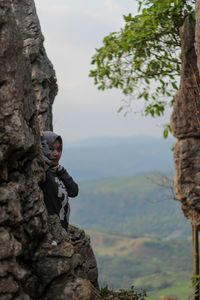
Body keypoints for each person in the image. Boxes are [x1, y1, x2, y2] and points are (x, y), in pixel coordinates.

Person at [40, 131, 79, 231]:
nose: (56, 153)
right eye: (51, 149)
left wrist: (60, 170)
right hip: (51, 232)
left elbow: (74, 191)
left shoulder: (57, 171)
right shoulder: (43, 172)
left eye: (59, 149)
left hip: (62, 231)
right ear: (44, 148)